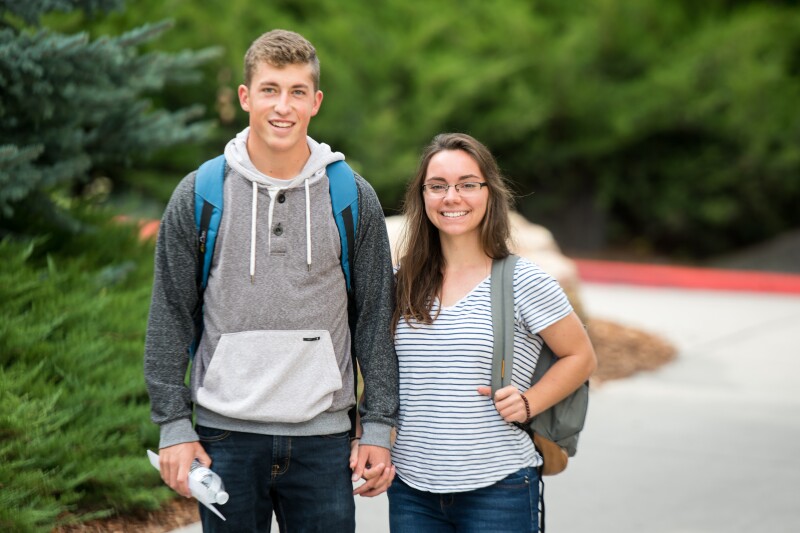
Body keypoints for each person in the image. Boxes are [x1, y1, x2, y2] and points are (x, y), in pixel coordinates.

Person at [144, 29, 398, 532]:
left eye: (297, 92)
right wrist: (173, 424)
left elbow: (375, 317)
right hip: (225, 438)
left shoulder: (351, 195)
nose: (283, 106)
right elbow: (169, 313)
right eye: (270, 89)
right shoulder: (201, 194)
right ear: (245, 97)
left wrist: (380, 423)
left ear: (316, 102)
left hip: (324, 441)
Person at [389, 133, 597, 532]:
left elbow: (581, 356)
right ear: (423, 196)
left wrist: (530, 402)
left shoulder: (524, 280)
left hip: (500, 488)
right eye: (438, 186)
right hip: (411, 488)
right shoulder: (402, 281)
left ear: (489, 193)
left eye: (468, 184)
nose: (452, 197)